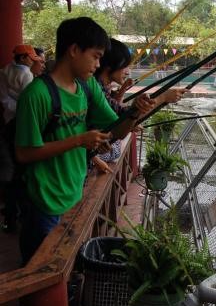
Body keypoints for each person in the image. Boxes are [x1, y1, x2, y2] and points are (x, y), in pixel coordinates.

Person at [14, 17, 168, 264]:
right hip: (43, 202)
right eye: (95, 56)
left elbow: (115, 131)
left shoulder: (87, 87)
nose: (98, 65)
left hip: (75, 192)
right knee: (40, 268)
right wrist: (78, 140)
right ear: (74, 50)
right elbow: (24, 153)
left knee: (66, 266)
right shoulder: (37, 95)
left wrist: (136, 112)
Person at [91, 38, 184, 173]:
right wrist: (163, 97)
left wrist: (161, 99)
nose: (128, 71)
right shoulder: (94, 87)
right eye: (125, 66)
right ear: (111, 65)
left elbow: (122, 115)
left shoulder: (100, 87)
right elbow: (121, 123)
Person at [0, 45, 42, 232]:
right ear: (24, 58)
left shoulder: (3, 71)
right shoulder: (27, 76)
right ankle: (24, 216)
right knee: (23, 172)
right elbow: (29, 103)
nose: (34, 62)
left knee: (12, 173)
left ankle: (10, 216)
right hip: (23, 125)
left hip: (8, 123)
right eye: (31, 58)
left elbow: (4, 100)